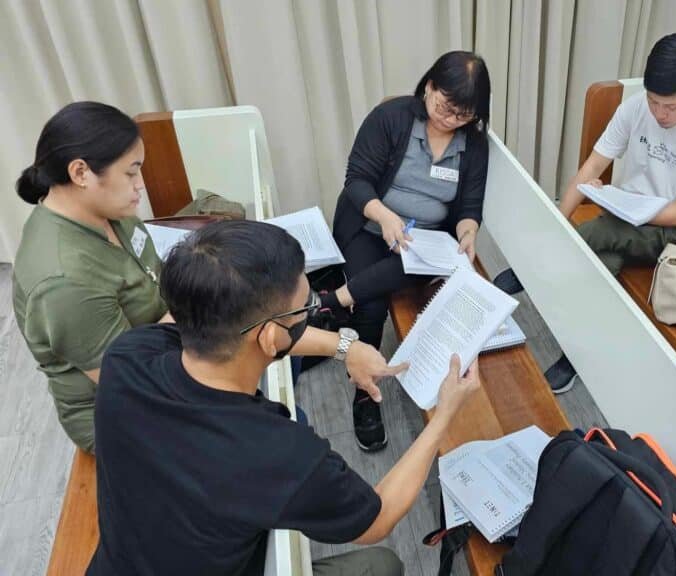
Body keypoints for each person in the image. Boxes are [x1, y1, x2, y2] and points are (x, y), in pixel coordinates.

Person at [87, 220, 481, 575]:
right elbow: (377, 519)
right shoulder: (274, 451)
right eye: (305, 309)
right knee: (382, 564)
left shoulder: (128, 358)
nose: (310, 312)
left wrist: (344, 346)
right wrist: (443, 415)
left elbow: (238, 329)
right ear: (273, 338)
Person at [12, 101, 396, 453]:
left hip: (178, 344)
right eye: (131, 173)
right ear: (80, 173)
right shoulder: (64, 282)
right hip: (131, 411)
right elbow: (131, 383)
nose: (140, 186)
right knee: (287, 432)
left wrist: (339, 345)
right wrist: (227, 308)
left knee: (266, 344)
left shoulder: (108, 211)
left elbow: (215, 316)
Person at [496, 32, 676, 394]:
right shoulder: (636, 107)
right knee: (603, 263)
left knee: (603, 232)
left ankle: (530, 268)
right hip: (626, 215)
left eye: (671, 107)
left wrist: (621, 210)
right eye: (654, 102)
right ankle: (575, 355)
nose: (659, 114)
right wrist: (557, 220)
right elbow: (591, 167)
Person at [326, 50, 491, 452]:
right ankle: (365, 392)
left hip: (424, 240)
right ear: (429, 86)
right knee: (373, 303)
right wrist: (383, 215)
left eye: (462, 115)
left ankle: (331, 303)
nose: (450, 119)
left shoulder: (474, 145)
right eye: (444, 106)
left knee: (417, 267)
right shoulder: (392, 119)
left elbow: (468, 209)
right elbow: (357, 181)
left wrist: (468, 232)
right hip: (367, 227)